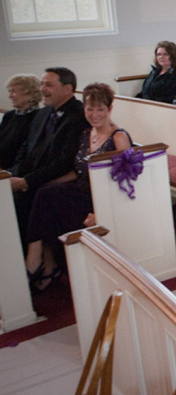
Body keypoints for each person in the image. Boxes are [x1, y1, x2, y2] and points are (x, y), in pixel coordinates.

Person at [23, 83, 131, 292]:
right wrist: (48, 182)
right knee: (43, 194)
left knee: (49, 204)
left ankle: (39, 263)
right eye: (89, 109)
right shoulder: (86, 134)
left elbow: (124, 180)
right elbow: (77, 170)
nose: (94, 114)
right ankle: (43, 260)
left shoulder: (119, 137)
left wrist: (98, 211)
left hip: (99, 197)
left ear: (110, 109)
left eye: (100, 109)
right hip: (80, 189)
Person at [8, 67, 89, 247]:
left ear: (67, 89)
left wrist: (26, 182)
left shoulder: (79, 116)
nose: (42, 89)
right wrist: (13, 174)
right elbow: (26, 148)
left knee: (18, 203)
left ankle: (29, 262)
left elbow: (64, 162)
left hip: (58, 180)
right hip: (32, 176)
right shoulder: (43, 113)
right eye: (42, 84)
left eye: (49, 85)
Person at [1, 74, 42, 170]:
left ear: (29, 93)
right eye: (9, 91)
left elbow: (29, 153)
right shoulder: (9, 115)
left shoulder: (40, 117)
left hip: (16, 173)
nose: (10, 96)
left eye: (13, 91)